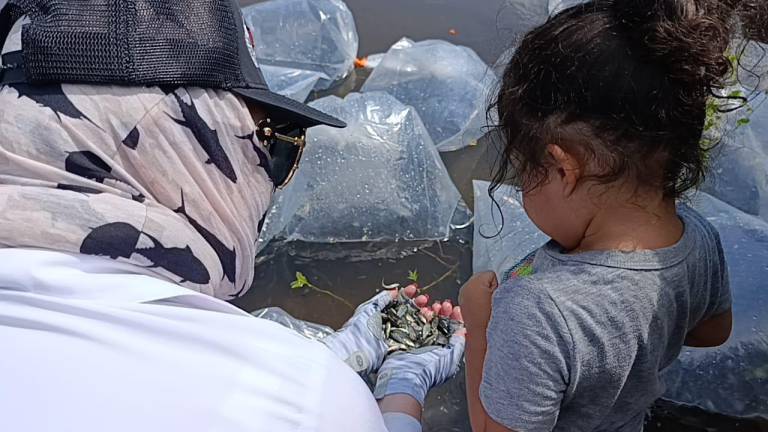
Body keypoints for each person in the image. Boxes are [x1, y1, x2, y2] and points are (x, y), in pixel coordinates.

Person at [0, 1, 464, 431]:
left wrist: (338, 353)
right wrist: (399, 388)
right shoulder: (301, 405)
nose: (266, 180)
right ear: (179, 142)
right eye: (274, 142)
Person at [458, 0, 761, 430]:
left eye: (522, 170)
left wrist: (479, 326)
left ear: (563, 169)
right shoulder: (698, 238)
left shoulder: (535, 312)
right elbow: (713, 331)